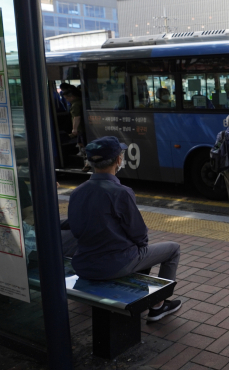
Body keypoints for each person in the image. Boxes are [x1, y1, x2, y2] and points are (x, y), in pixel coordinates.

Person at [68, 136, 182, 321]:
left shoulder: (77, 192)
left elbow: (76, 230)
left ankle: (143, 295)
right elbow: (139, 234)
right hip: (116, 264)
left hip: (84, 265)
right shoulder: (121, 192)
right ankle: (158, 305)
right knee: (173, 249)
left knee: (140, 251)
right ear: (118, 160)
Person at [62, 88, 91, 172]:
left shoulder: (75, 105)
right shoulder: (83, 101)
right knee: (82, 145)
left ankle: (87, 164)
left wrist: (74, 129)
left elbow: (76, 117)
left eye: (67, 98)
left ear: (72, 97)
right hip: (86, 128)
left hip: (82, 129)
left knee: (86, 147)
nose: (67, 100)